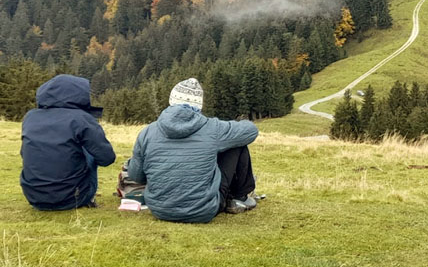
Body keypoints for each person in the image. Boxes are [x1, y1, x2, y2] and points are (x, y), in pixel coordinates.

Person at [127, 78, 260, 223]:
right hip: (203, 210)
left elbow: (136, 176)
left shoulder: (147, 132)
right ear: (198, 105)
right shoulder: (213, 128)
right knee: (237, 143)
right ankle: (240, 198)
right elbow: (250, 131)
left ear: (172, 101)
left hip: (159, 210)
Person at [20, 74, 116, 210]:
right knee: (90, 152)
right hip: (73, 198)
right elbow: (107, 158)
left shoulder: (30, 117)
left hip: (34, 197)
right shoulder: (82, 119)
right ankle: (87, 196)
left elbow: (24, 153)